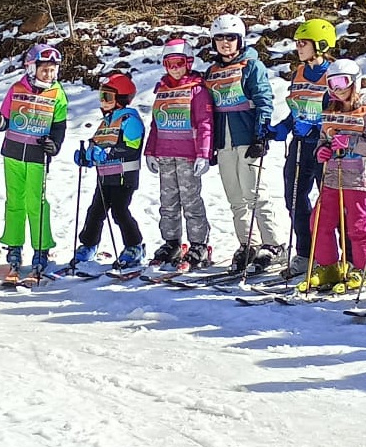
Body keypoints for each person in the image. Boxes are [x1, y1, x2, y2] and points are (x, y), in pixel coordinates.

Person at [204, 14, 282, 272]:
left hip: (247, 137)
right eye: (219, 38)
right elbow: (208, 110)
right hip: (224, 141)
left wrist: (260, 134)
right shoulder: (212, 71)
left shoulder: (251, 66)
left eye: (230, 38)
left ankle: (272, 244)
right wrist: (210, 145)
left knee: (255, 193)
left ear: (240, 40)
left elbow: (263, 98)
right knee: (235, 197)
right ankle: (247, 243)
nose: (225, 43)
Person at [299, 58, 366, 292]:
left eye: (341, 82)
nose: (336, 89)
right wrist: (322, 150)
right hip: (332, 175)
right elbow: (323, 138)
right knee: (320, 220)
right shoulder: (330, 106)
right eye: (331, 83)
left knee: (357, 224)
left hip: (357, 175)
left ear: (354, 82)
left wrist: (350, 142)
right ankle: (328, 266)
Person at [0, 43, 69, 282]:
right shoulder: (16, 88)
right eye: (45, 69)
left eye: (53, 70)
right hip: (13, 152)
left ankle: (41, 248)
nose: (50, 74)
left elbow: (59, 127)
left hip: (37, 156)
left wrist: (54, 145)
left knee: (36, 202)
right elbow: (4, 119)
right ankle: (13, 247)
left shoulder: (57, 94)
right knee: (15, 201)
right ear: (32, 68)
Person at [268, 18, 333, 278]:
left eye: (303, 43)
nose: (298, 47)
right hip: (300, 144)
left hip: (323, 146)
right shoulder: (299, 72)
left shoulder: (333, 74)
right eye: (297, 43)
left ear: (321, 45)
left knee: (328, 203)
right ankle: (305, 253)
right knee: (294, 199)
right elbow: (297, 108)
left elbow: (339, 112)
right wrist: (283, 126)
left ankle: (333, 256)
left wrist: (317, 128)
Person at [142, 38, 214, 272]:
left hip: (187, 156)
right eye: (169, 63)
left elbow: (205, 123)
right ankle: (171, 242)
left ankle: (199, 244)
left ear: (189, 62)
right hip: (164, 154)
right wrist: (150, 151)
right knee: (168, 202)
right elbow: (156, 123)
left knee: (191, 200)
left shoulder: (196, 88)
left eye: (179, 62)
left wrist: (203, 153)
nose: (174, 68)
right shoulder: (162, 89)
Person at [71, 73, 148, 271]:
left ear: (120, 100)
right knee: (95, 211)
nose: (103, 102)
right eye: (101, 97)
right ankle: (88, 244)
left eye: (107, 97)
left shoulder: (129, 120)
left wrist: (108, 153)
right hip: (105, 177)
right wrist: (86, 157)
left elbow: (132, 147)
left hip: (124, 177)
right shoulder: (106, 122)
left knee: (120, 212)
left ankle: (134, 246)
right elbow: (96, 145)